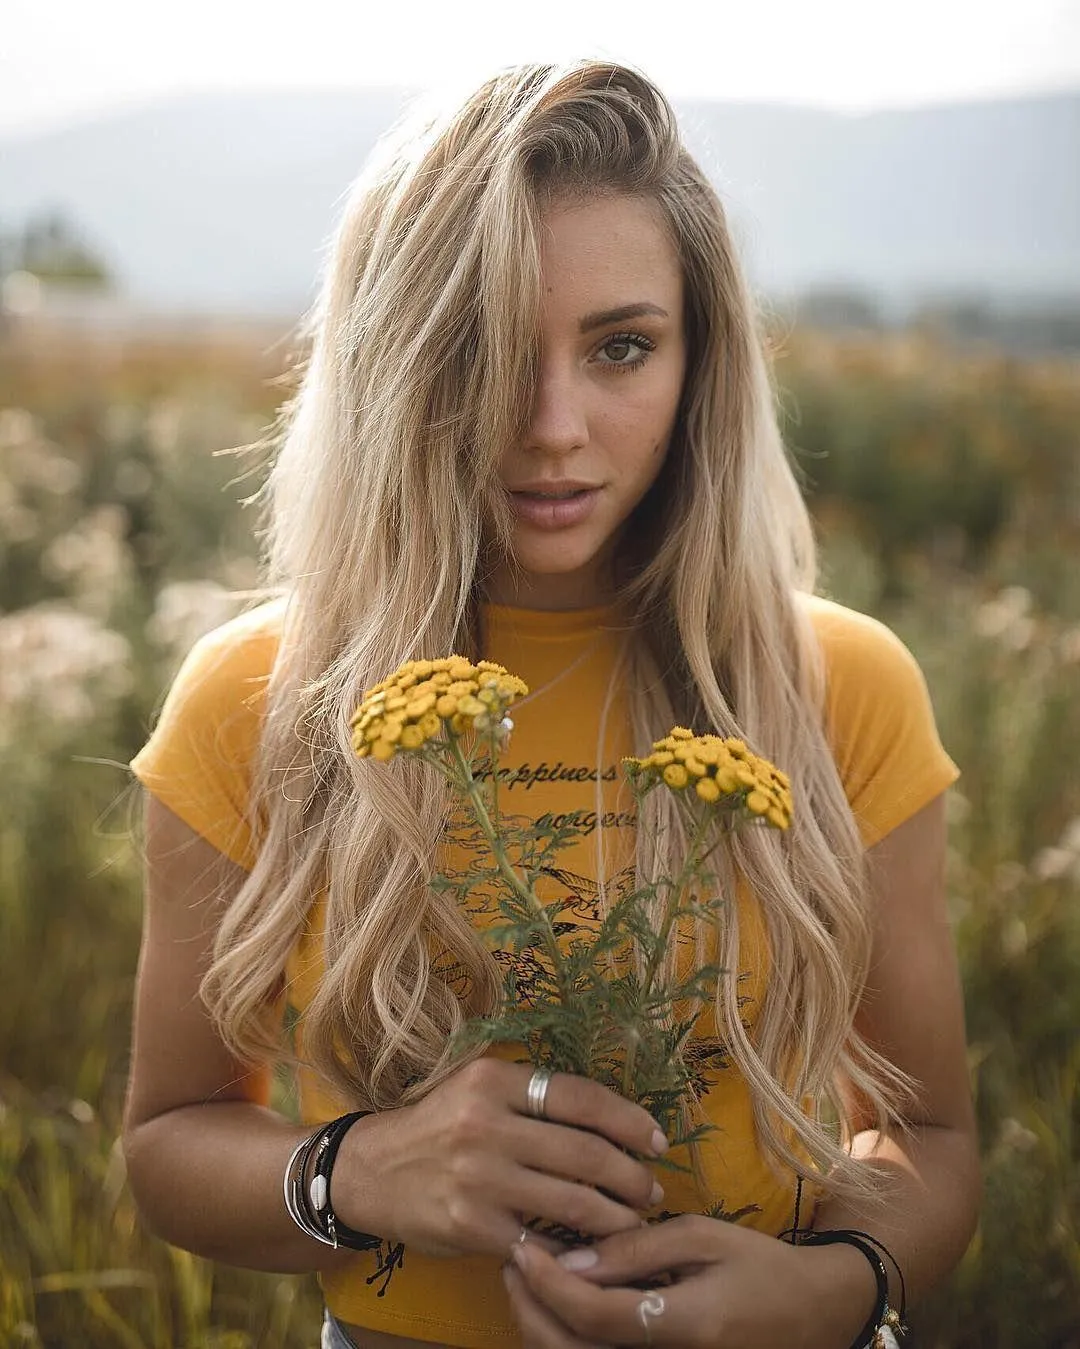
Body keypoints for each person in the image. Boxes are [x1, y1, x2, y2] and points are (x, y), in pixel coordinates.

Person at [123, 60, 980, 1349]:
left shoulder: (837, 687)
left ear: (703, 364)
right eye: (484, 348)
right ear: (398, 359)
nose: (555, 426)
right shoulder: (260, 697)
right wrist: (357, 1171)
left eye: (621, 346)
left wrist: (833, 1285)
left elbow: (934, 1138)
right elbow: (164, 1142)